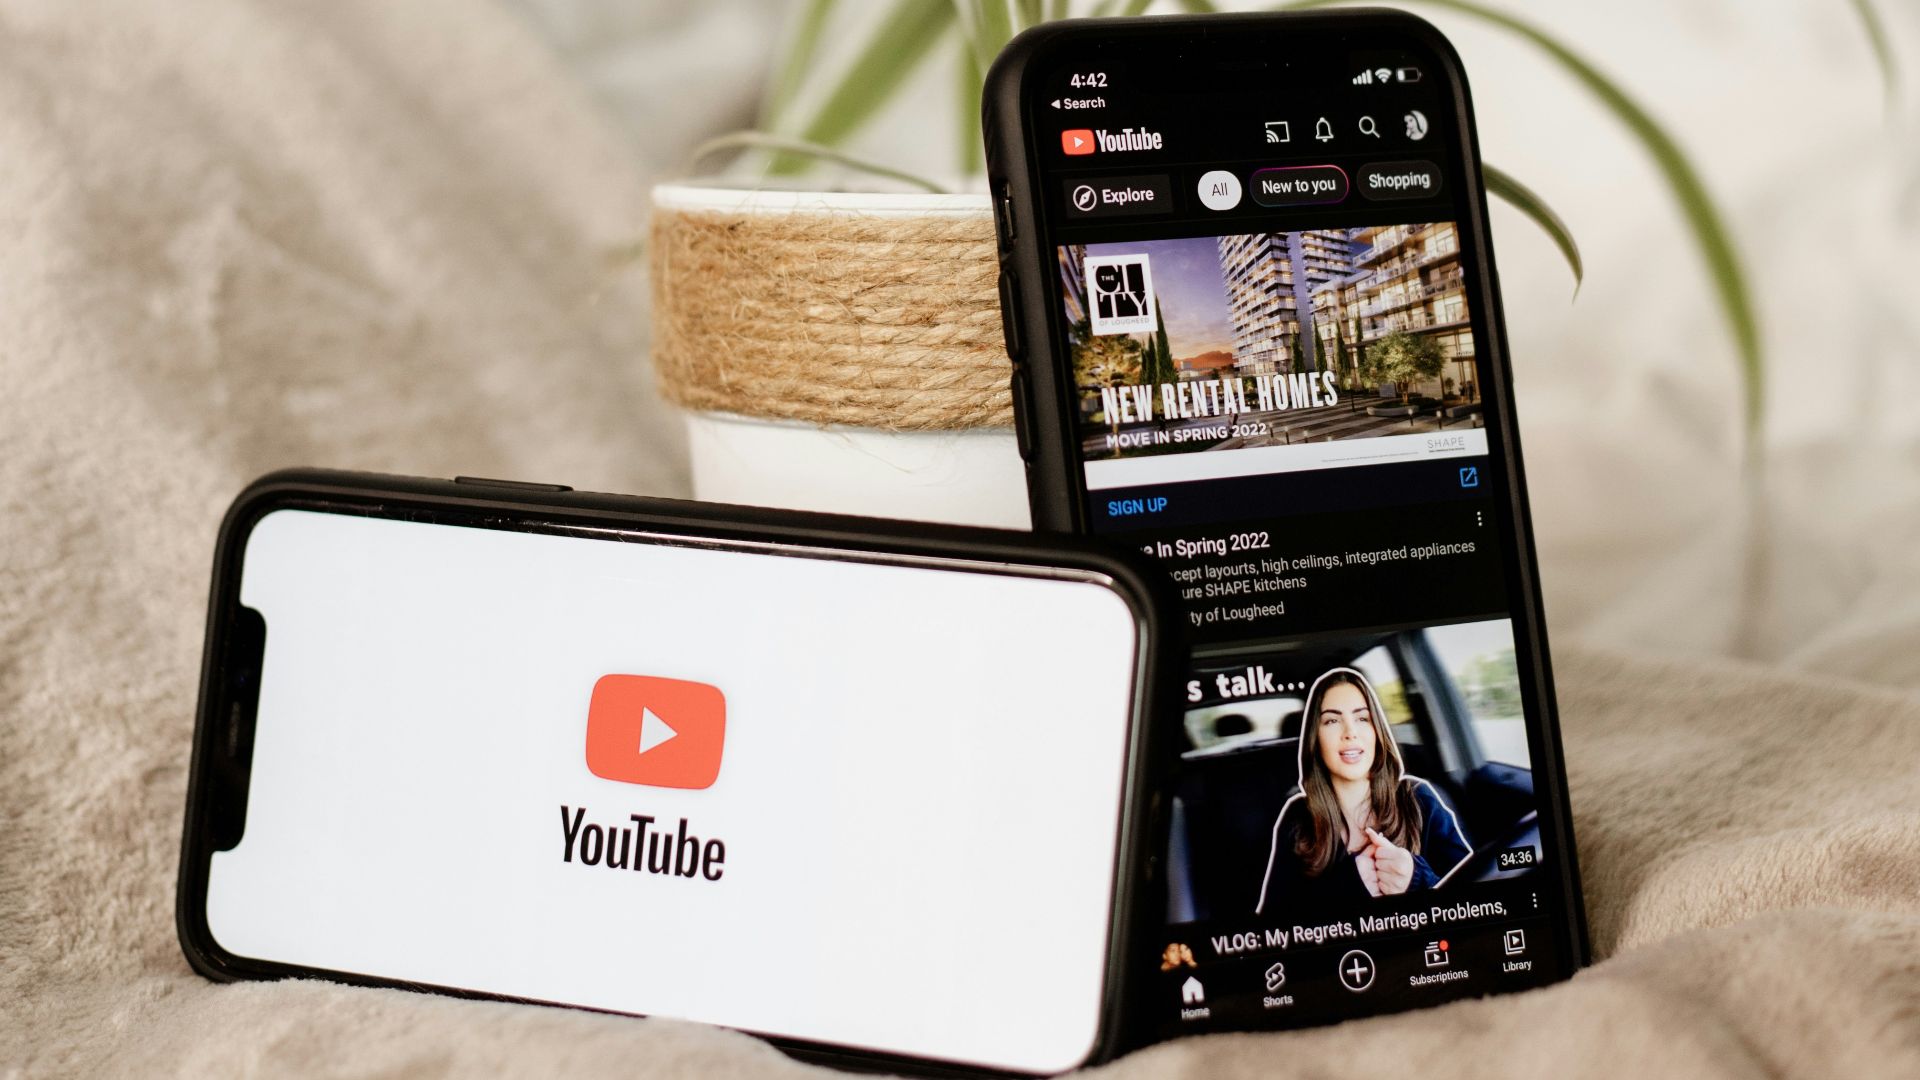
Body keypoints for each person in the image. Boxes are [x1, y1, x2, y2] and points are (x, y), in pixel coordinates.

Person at [1254, 667, 1471, 915]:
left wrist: (1419, 880)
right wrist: (1348, 887)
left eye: (1362, 718)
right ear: (1316, 738)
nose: (1350, 733)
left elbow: (1477, 901)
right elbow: (1273, 926)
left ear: (1377, 731)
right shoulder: (1297, 817)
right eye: (1332, 721)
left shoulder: (1419, 799)